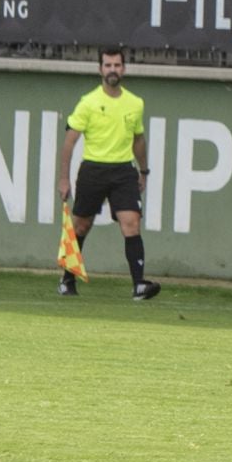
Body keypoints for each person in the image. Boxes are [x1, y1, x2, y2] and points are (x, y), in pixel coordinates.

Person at [55, 48, 158, 302]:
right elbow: (69, 141)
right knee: (81, 225)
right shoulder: (88, 102)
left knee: (132, 223)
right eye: (108, 65)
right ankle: (67, 279)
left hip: (124, 170)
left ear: (124, 69)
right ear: (100, 69)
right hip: (93, 169)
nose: (113, 70)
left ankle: (139, 285)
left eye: (117, 65)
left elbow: (138, 140)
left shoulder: (135, 103)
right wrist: (64, 178)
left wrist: (143, 170)